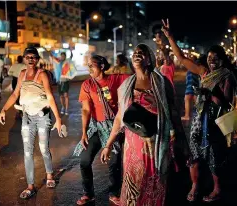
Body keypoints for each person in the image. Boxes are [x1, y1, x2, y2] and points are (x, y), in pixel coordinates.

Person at [101, 44, 188, 206]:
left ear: (149, 59)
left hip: (156, 143)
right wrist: (108, 145)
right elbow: (120, 117)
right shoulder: (126, 86)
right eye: (135, 53)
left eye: (142, 53)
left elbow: (173, 113)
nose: (137, 55)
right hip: (133, 146)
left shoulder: (162, 83)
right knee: (135, 182)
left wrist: (181, 142)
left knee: (155, 182)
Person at [162, 19, 237, 202]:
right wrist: (170, 38)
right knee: (194, 153)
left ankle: (217, 189)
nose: (212, 60)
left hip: (215, 122)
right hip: (198, 119)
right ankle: (195, 185)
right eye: (209, 57)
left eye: (215, 58)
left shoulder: (227, 76)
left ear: (222, 59)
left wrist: (209, 94)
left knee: (213, 156)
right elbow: (182, 59)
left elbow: (226, 103)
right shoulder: (203, 72)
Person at [0, 47, 62, 199]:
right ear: (24, 59)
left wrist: (58, 119)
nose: (31, 59)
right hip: (27, 117)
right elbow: (15, 94)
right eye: (28, 57)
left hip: (42, 117)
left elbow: (50, 96)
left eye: (34, 57)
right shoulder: (22, 74)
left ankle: (49, 175)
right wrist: (4, 110)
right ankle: (30, 186)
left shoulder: (42, 75)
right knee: (27, 152)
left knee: (43, 148)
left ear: (38, 59)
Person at [72, 55, 129, 205]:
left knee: (114, 162)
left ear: (102, 66)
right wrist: (84, 132)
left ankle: (114, 192)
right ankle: (88, 193)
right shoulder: (87, 84)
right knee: (84, 160)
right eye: (88, 65)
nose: (89, 68)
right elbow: (85, 110)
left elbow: (139, 78)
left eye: (92, 65)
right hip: (96, 126)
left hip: (114, 127)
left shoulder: (117, 79)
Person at [51, 49, 74, 115]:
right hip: (59, 82)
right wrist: (51, 52)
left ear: (65, 56)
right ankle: (63, 107)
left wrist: (71, 49)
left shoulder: (67, 62)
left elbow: (71, 56)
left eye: (63, 56)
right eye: (61, 56)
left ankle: (66, 109)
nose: (62, 57)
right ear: (60, 56)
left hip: (66, 81)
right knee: (61, 96)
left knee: (66, 95)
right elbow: (53, 57)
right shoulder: (58, 62)